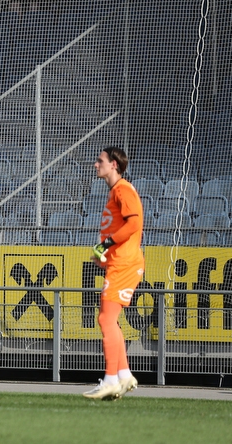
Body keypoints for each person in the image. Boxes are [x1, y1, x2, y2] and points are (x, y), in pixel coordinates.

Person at [83, 146, 144, 400]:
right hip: (119, 263)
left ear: (114, 165)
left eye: (100, 161)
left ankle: (110, 379)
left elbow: (135, 223)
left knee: (105, 320)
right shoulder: (114, 193)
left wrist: (105, 246)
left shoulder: (123, 189)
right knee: (110, 320)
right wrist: (104, 256)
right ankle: (123, 374)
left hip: (125, 264)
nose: (96, 165)